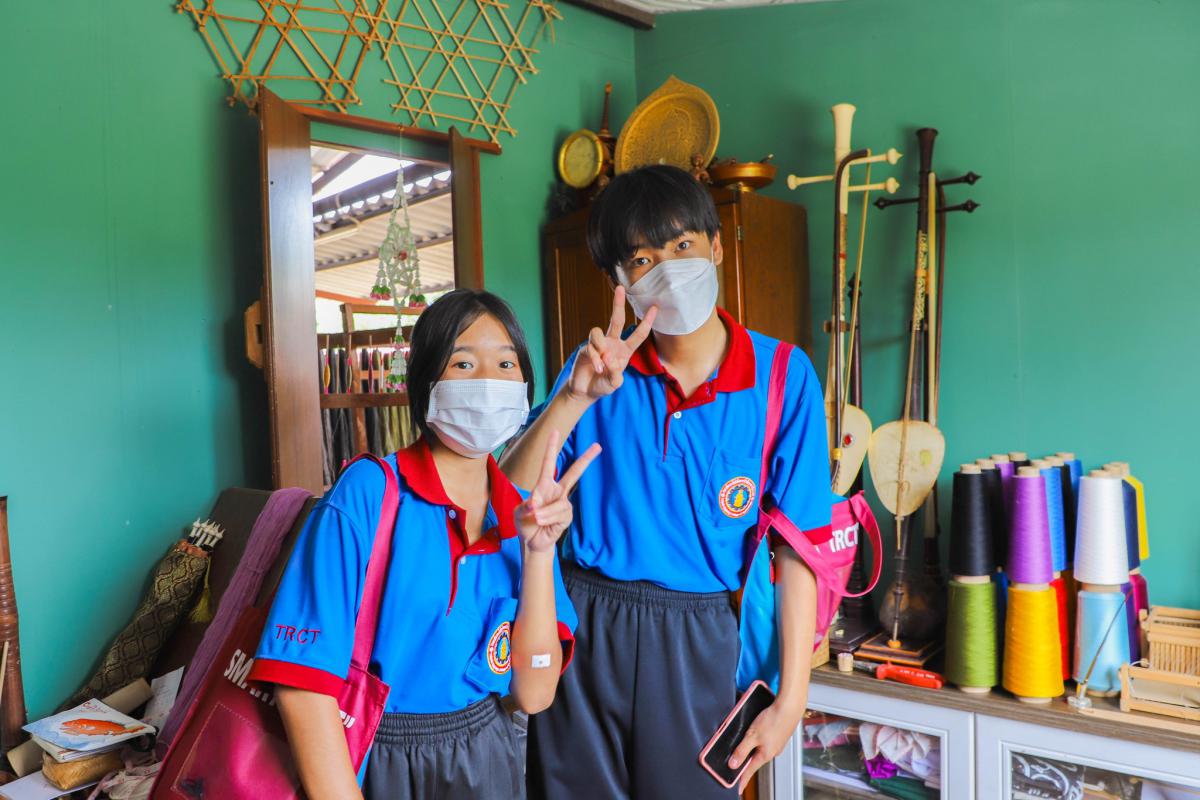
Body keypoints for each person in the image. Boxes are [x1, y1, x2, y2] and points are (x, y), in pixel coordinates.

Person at [501, 165, 830, 798]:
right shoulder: (596, 371)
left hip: (699, 637)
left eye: (682, 245)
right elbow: (508, 495)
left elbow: (798, 551)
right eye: (643, 260)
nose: (669, 271)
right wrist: (573, 399)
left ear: (716, 246)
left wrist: (791, 698)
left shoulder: (784, 377)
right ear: (620, 281)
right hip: (584, 623)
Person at [249, 289, 600, 799]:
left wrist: (540, 553)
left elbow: (535, 692)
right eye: (463, 363)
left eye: (506, 364)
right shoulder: (370, 493)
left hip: (489, 755)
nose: (487, 381)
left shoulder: (524, 514)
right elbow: (302, 686)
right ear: (426, 384)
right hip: (377, 754)